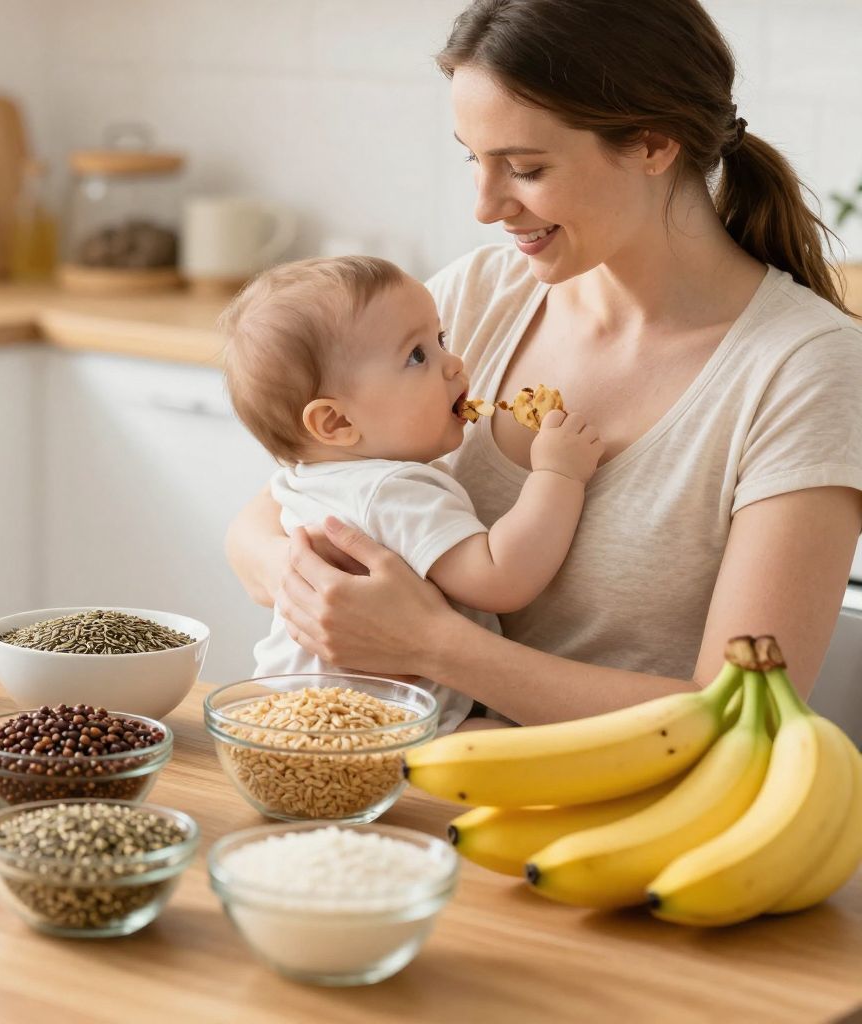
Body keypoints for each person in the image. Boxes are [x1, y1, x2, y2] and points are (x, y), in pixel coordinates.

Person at [225, 0, 862, 725]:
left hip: (624, 819)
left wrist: (432, 645)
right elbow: (264, 522)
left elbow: (748, 715)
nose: (487, 207)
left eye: (524, 168)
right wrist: (323, 596)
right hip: (400, 799)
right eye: (474, 158)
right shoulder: (473, 298)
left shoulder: (803, 370)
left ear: (654, 145)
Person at [220, 255, 602, 732]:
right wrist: (558, 475)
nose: (455, 363)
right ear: (336, 422)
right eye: (417, 356)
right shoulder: (394, 490)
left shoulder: (304, 478)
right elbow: (502, 578)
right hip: (375, 724)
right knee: (506, 740)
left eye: (439, 340)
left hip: (290, 707)